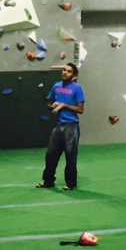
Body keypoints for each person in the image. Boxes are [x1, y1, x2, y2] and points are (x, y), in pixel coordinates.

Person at [38, 63, 85, 191]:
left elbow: (80, 109)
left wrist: (65, 105)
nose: (65, 73)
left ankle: (70, 183)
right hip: (58, 126)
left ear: (73, 75)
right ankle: (48, 181)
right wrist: (52, 105)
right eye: (64, 70)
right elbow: (49, 102)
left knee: (70, 155)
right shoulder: (56, 86)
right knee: (51, 154)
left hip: (71, 126)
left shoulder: (77, 88)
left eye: (69, 71)